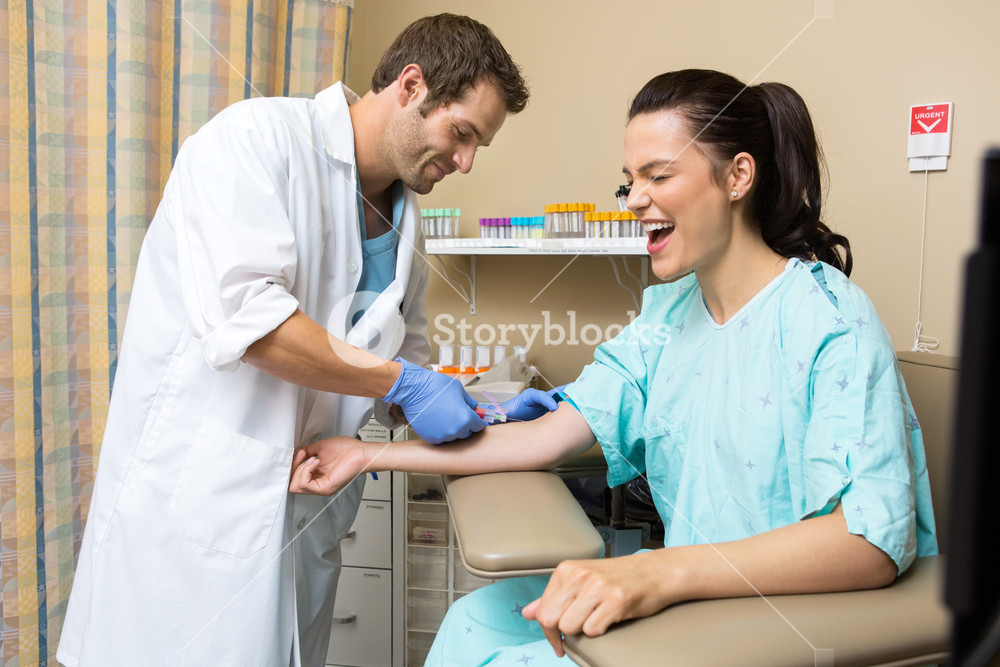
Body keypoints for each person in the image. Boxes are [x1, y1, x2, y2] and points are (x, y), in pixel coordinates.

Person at [288, 69, 939, 666]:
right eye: (630, 180)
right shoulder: (667, 317)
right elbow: (544, 437)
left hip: (784, 613)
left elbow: (870, 541)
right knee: (475, 622)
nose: (634, 199)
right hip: (696, 589)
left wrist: (653, 575)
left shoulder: (828, 319)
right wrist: (367, 456)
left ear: (738, 176)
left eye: (659, 176)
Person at [56, 13, 538, 667]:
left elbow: (401, 369)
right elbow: (257, 329)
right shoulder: (254, 144)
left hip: (304, 519)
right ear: (411, 84)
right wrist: (401, 383)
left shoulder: (405, 224)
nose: (466, 161)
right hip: (198, 515)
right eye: (461, 134)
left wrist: (481, 409)